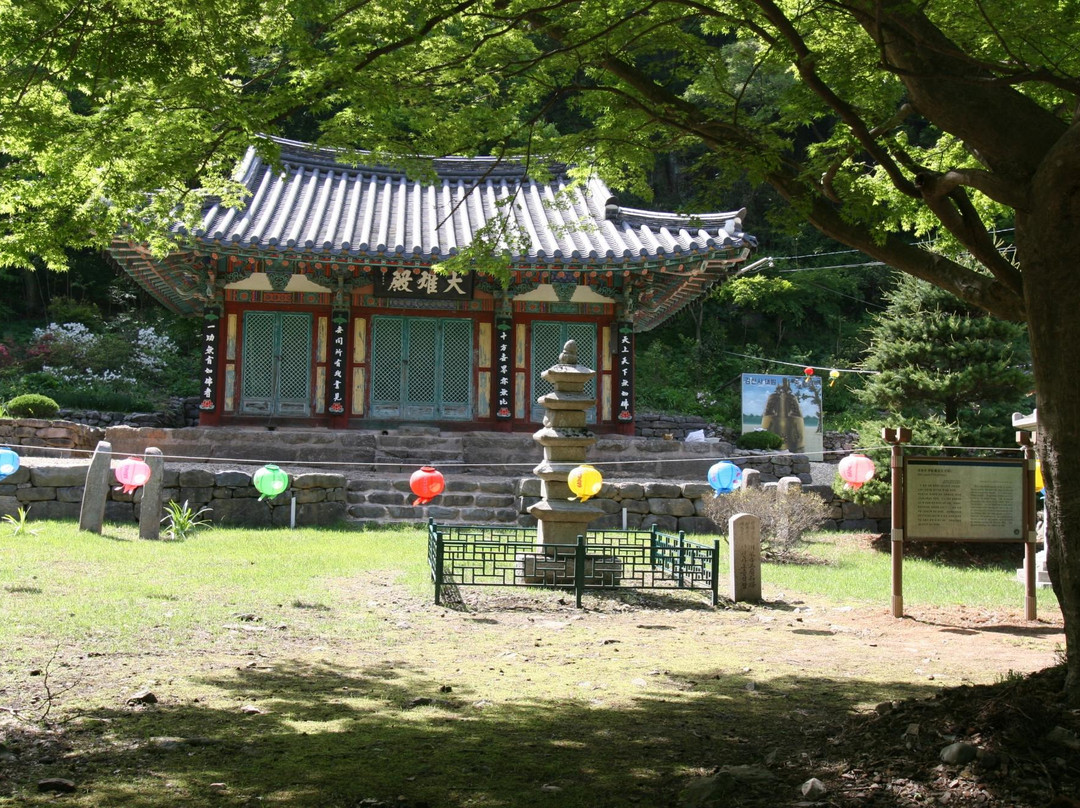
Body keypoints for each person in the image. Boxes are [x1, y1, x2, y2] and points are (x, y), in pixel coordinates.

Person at [760, 379, 806, 452]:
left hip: (790, 447)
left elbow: (801, 438)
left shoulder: (791, 400)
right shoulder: (769, 415)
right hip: (787, 447)